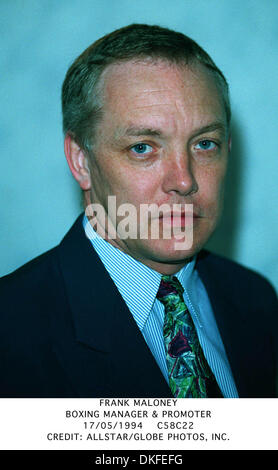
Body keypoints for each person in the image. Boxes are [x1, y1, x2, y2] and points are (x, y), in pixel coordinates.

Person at [0, 24, 277, 398]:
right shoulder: (11, 330)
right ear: (81, 161)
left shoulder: (256, 301)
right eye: (143, 148)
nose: (183, 180)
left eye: (205, 144)